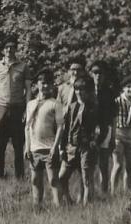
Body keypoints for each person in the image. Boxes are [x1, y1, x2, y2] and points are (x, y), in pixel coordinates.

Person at [55, 76, 108, 206]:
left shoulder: (95, 108)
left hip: (87, 148)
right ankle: (69, 201)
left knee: (87, 179)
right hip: (71, 147)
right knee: (62, 177)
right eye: (77, 89)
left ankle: (87, 207)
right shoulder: (71, 107)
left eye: (82, 89)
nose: (79, 92)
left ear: (89, 91)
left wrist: (96, 141)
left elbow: (104, 128)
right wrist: (62, 147)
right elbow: (66, 129)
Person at [0, 36, 30, 179]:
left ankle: (20, 176)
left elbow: (28, 89)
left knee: (19, 145)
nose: (9, 49)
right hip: (0, 108)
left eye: (12, 46)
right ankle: (0, 175)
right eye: (6, 47)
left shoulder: (23, 66)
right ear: (2, 50)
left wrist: (28, 109)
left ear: (16, 48)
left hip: (18, 108)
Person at [24, 69, 65, 207]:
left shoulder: (55, 103)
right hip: (35, 148)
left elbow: (60, 127)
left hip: (49, 148)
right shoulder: (30, 104)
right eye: (42, 82)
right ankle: (37, 206)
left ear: (52, 85)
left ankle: (59, 207)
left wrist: (55, 147)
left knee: (53, 179)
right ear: (37, 84)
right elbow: (27, 127)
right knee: (35, 180)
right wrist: (27, 146)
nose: (45, 86)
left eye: (48, 83)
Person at [110, 74, 131, 195]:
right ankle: (113, 192)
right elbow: (112, 119)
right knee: (118, 164)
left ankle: (127, 191)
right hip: (118, 133)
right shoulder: (117, 101)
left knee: (130, 166)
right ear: (123, 88)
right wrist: (112, 136)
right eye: (128, 87)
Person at [89, 60, 117, 195]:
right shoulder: (86, 91)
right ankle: (89, 193)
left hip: (106, 130)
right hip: (89, 132)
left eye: (100, 73)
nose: (98, 75)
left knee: (103, 163)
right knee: (88, 164)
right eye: (95, 73)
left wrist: (113, 136)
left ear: (104, 75)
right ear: (91, 74)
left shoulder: (109, 92)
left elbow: (113, 117)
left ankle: (104, 192)